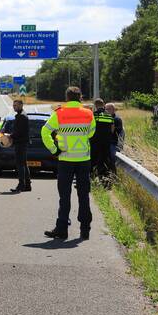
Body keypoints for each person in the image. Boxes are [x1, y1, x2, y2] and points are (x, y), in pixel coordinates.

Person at [41, 86, 97, 240]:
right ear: (80, 98)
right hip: (84, 160)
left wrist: (54, 149)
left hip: (65, 159)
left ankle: (62, 229)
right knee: (83, 195)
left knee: (64, 196)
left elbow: (44, 132)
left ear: (66, 98)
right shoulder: (88, 113)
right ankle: (85, 230)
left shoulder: (60, 113)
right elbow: (91, 132)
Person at [8, 98, 31, 192]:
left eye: (16, 105)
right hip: (22, 142)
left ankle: (21, 185)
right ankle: (27, 185)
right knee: (24, 164)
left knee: (20, 165)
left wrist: (10, 136)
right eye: (13, 105)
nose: (14, 107)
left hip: (21, 143)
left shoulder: (21, 116)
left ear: (21, 105)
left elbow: (18, 132)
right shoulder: (21, 115)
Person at [90, 98, 114, 184]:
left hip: (94, 142)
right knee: (105, 161)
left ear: (95, 105)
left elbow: (90, 129)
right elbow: (112, 129)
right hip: (106, 142)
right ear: (103, 104)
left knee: (93, 161)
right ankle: (105, 181)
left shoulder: (93, 115)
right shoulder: (109, 115)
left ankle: (91, 180)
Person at [106, 102, 123, 173]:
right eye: (105, 109)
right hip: (106, 142)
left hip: (113, 143)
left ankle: (113, 175)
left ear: (113, 110)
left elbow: (118, 131)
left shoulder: (117, 119)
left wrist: (112, 129)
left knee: (112, 159)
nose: (106, 111)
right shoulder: (105, 118)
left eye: (108, 109)